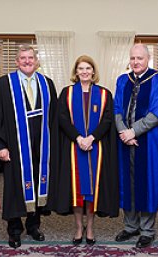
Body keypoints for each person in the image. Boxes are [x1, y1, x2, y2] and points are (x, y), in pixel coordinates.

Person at [0, 44, 58, 249]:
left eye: (31, 58)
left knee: (38, 184)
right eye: (23, 58)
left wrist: (52, 146)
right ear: (16, 61)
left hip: (41, 146)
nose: (27, 61)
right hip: (15, 145)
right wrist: (0, 145)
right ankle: (14, 230)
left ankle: (34, 225)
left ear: (37, 61)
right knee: (14, 187)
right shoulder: (3, 84)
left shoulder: (47, 83)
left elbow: (53, 117)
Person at [53, 55, 119, 246]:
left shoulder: (105, 94)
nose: (84, 72)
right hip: (74, 149)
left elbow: (107, 120)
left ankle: (90, 227)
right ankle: (78, 227)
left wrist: (91, 138)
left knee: (92, 192)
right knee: (77, 190)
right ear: (76, 72)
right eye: (81, 69)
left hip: (96, 149)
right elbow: (63, 119)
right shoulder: (67, 93)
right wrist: (79, 138)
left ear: (93, 71)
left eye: (88, 68)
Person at [114, 43, 158, 248]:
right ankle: (130, 226)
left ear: (148, 59)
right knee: (127, 181)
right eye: (133, 58)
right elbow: (117, 109)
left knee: (147, 182)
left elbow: (157, 112)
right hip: (125, 141)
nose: (136, 62)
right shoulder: (123, 80)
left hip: (149, 142)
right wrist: (124, 133)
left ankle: (147, 230)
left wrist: (133, 131)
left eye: (140, 58)